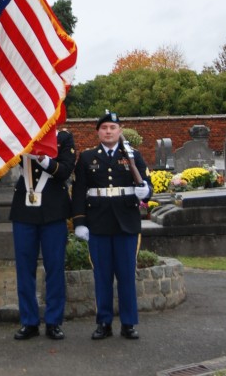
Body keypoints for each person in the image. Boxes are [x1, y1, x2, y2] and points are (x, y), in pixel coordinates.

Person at [72, 111, 152, 341]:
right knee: (102, 277)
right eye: (104, 127)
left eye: (112, 128)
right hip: (98, 224)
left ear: (120, 131)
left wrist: (145, 192)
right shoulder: (87, 157)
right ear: (98, 131)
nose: (108, 131)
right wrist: (79, 221)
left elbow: (147, 184)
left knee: (126, 276)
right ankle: (103, 322)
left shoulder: (132, 155)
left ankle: (128, 323)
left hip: (126, 223)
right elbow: (78, 191)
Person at [10, 129, 76, 341]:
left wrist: (43, 159)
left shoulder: (63, 138)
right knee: (24, 268)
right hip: (24, 208)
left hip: (53, 209)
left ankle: (54, 321)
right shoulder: (21, 133)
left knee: (55, 267)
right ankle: (29, 321)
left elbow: (65, 171)